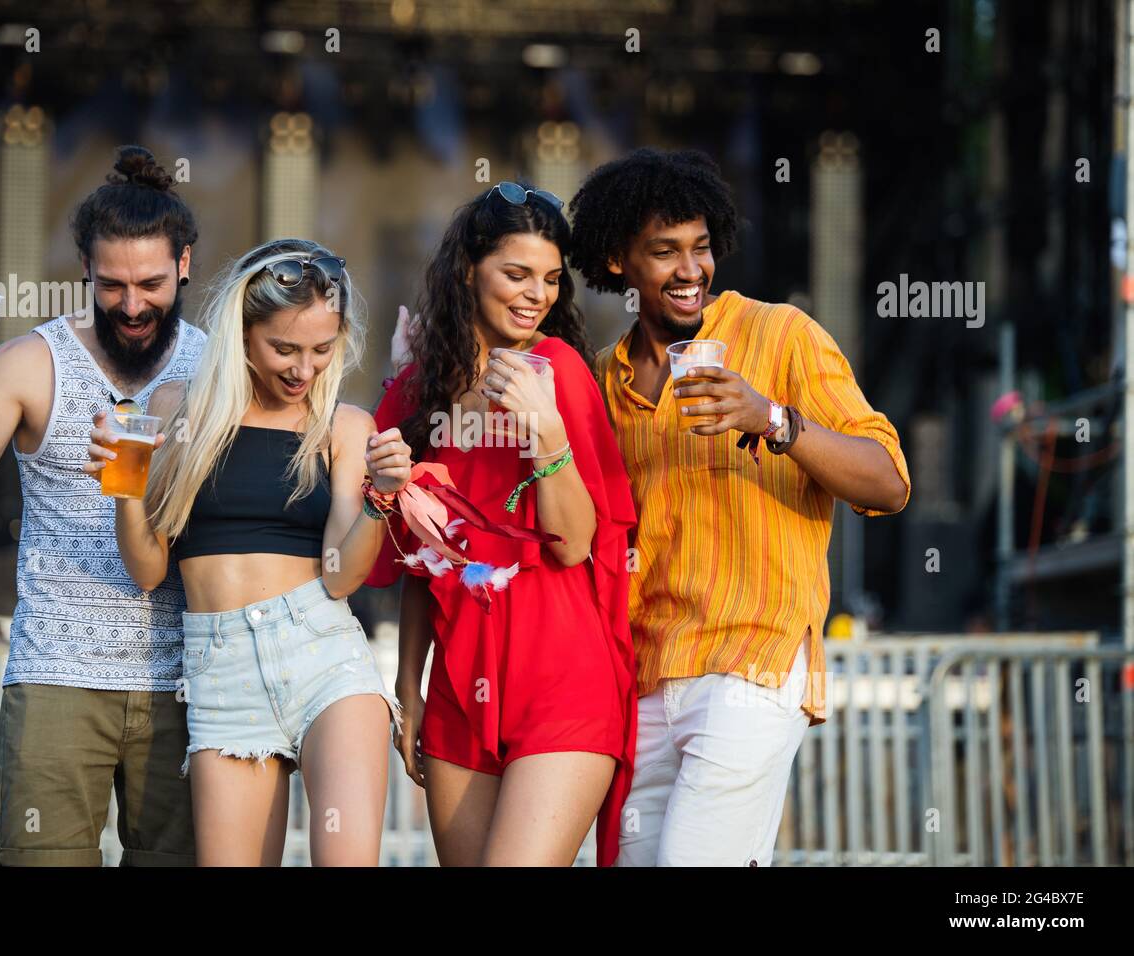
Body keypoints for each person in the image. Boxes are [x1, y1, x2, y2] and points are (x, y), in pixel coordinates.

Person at [566, 147, 911, 866]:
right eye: (665, 252)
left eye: (700, 248)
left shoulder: (782, 334)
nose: (691, 270)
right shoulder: (601, 380)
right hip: (644, 679)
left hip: (754, 661)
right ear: (618, 260)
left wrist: (774, 420)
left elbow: (888, 482)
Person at [0, 145, 207, 866]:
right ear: (84, 268)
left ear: (185, 265)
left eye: (152, 284)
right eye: (111, 285)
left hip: (193, 683)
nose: (132, 306)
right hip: (55, 681)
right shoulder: (29, 363)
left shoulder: (218, 362)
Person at [88, 238, 409, 866]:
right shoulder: (176, 411)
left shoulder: (343, 427)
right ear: (241, 334)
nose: (303, 369)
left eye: (321, 350)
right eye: (283, 348)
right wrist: (123, 488)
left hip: (325, 657)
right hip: (221, 672)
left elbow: (343, 579)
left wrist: (380, 501)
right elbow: (150, 570)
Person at [368, 181, 638, 867]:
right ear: (468, 270)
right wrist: (411, 689)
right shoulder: (416, 391)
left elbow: (577, 542)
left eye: (550, 278)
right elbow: (423, 565)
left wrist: (545, 431)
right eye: (516, 273)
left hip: (562, 681)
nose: (536, 293)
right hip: (459, 691)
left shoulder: (559, 371)